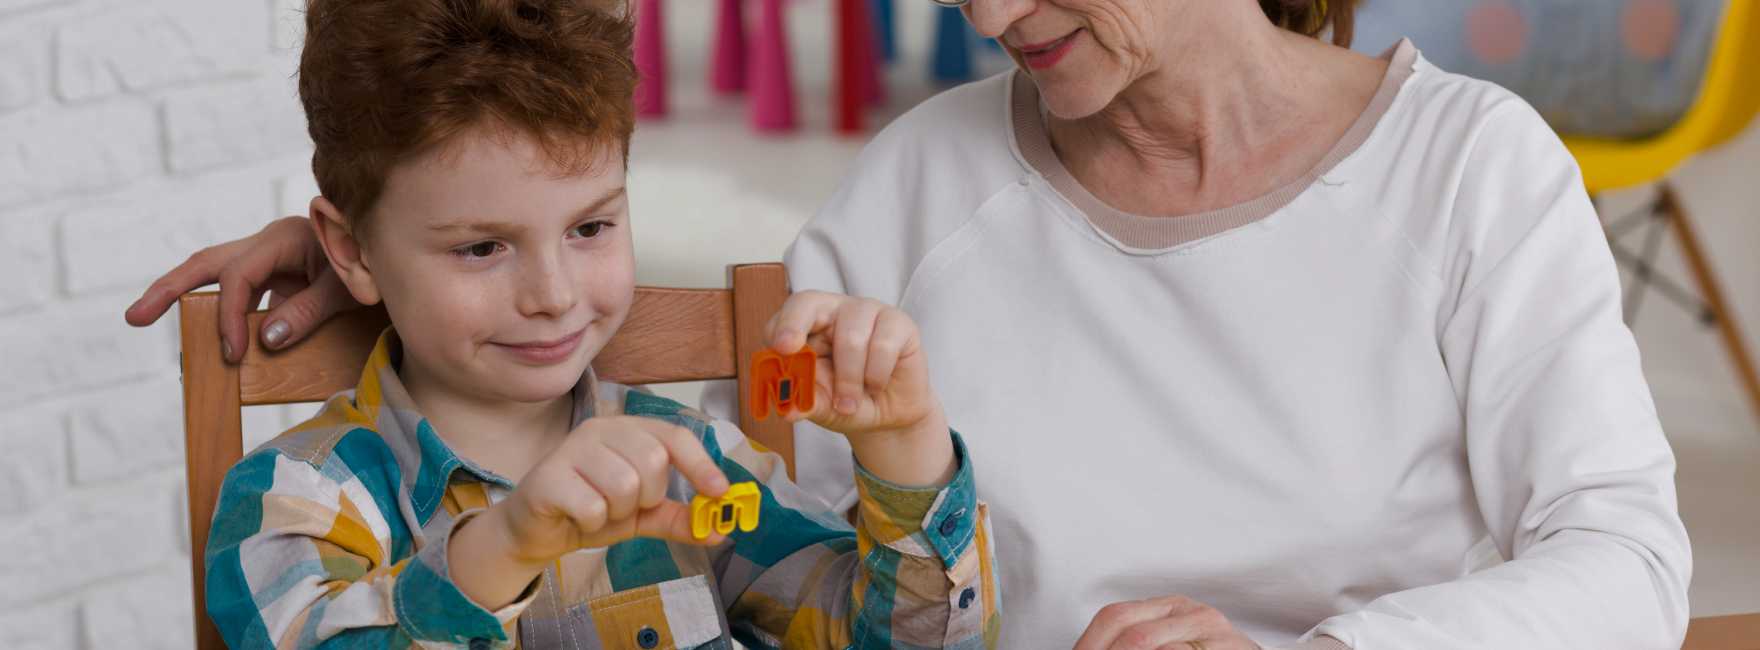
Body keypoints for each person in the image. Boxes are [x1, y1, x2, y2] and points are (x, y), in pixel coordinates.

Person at [135, 0, 1691, 647]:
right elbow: (764, 479)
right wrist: (382, 247)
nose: (990, 5)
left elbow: (1625, 554)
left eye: (583, 232)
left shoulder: (1466, 170)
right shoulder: (919, 185)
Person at [199, 1, 998, 647]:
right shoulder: (299, 499)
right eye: (480, 247)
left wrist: (905, 451)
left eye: (590, 228)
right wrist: (502, 546)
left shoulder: (699, 465)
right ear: (350, 250)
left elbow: (900, 640)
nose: (552, 294)